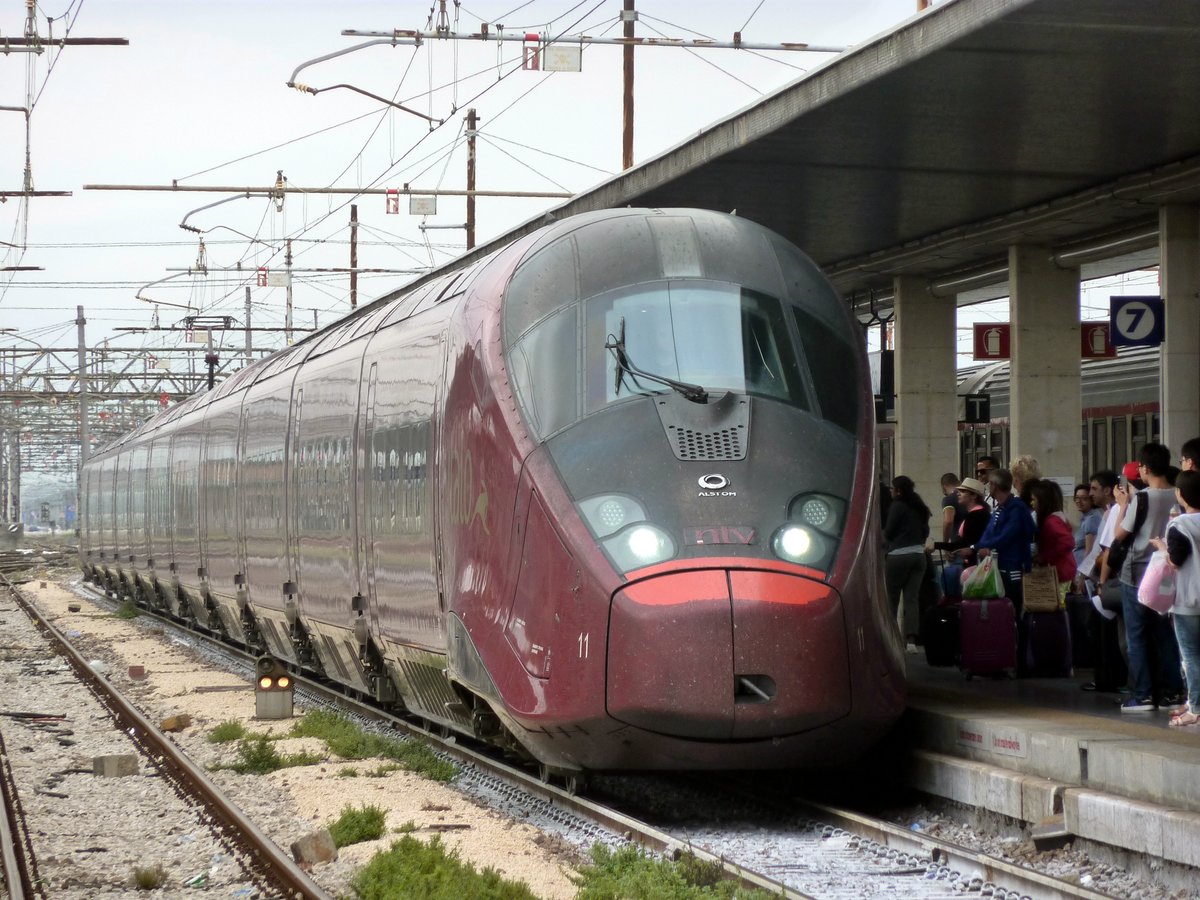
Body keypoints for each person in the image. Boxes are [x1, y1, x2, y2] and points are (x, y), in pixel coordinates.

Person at [1113, 443, 1185, 712]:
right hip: (1166, 573)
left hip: (1137, 573)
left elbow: (1120, 534)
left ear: (1144, 467)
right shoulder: (1179, 495)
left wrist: (1123, 505)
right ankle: (1173, 692)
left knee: (1137, 635)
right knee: (1165, 634)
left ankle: (1142, 694)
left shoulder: (1143, 498)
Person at [1149, 470, 1200, 726]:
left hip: (1189, 600)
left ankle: (1197, 708)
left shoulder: (1179, 525)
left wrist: (1162, 549)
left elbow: (1176, 561)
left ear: (1180, 495)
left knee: (1191, 655)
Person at [975, 468, 1036, 617]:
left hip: (1013, 568)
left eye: (990, 484)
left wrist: (979, 546)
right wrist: (981, 545)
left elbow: (1008, 535)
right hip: (998, 567)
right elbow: (989, 531)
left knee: (1013, 610)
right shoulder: (1000, 508)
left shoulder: (1016, 508)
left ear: (994, 485)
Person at [883, 475, 931, 652]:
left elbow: (888, 532)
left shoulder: (897, 506)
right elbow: (925, 531)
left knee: (892, 598)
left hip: (898, 556)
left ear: (898, 490)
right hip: (919, 556)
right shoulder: (919, 507)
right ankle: (911, 641)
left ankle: (891, 637)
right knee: (912, 599)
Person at [1031, 479, 1077, 589]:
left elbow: (1068, 542)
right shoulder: (1056, 519)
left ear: (1042, 501)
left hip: (1060, 574)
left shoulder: (1052, 522)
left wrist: (1046, 557)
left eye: (1034, 499)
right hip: (1062, 572)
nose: (1031, 503)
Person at [948, 477, 990, 565]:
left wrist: (937, 545)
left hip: (974, 565)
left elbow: (965, 544)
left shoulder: (975, 516)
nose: (958, 494)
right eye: (959, 491)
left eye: (963, 491)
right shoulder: (979, 513)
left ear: (974, 495)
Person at [1073, 484, 1103, 569]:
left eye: (1084, 498)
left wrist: (1083, 574)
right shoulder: (1085, 517)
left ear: (1091, 500)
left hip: (1084, 571)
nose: (1079, 501)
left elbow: (1090, 551)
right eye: (1077, 498)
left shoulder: (1092, 519)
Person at [940, 472, 965, 543]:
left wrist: (945, 543)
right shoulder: (969, 497)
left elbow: (948, 521)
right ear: (959, 482)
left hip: (959, 544)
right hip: (975, 544)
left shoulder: (949, 499)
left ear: (944, 487)